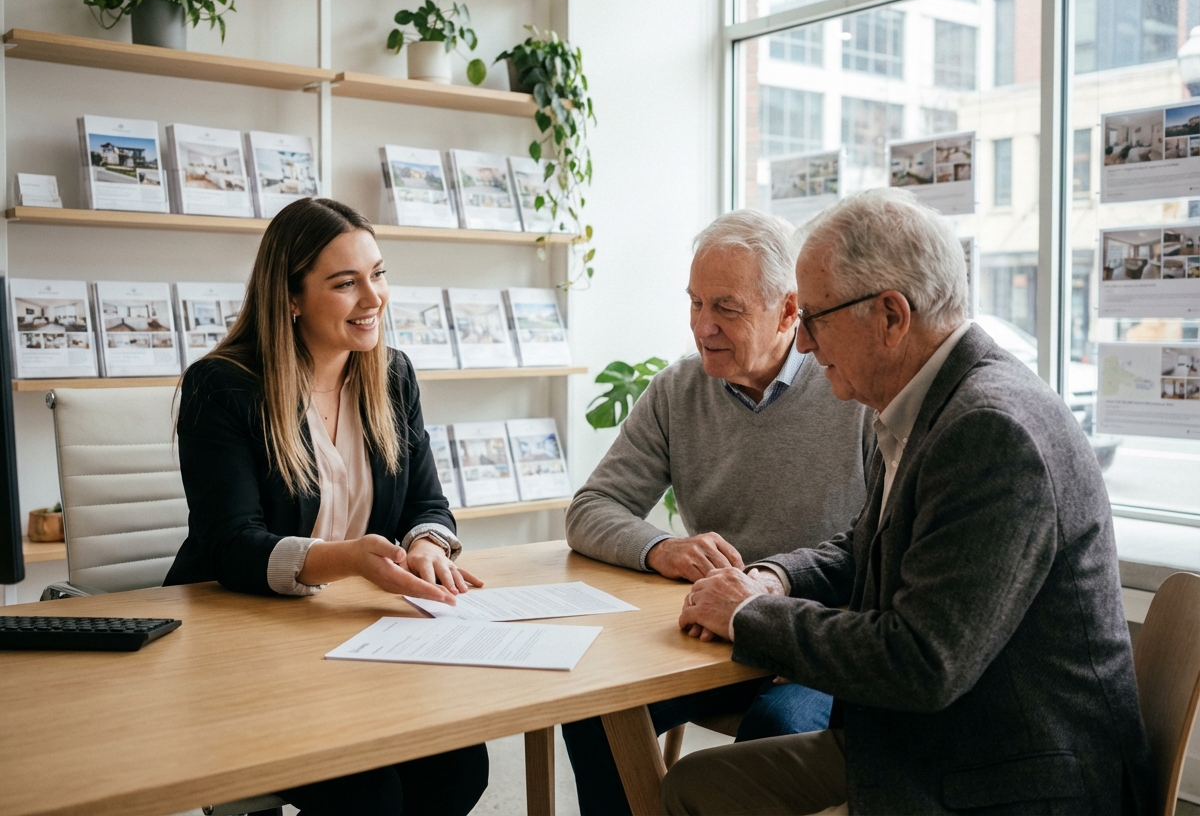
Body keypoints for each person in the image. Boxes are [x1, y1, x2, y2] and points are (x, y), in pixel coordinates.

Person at [665, 188, 1153, 815]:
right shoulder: (913, 407)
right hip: (933, 744)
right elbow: (863, 548)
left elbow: (922, 661)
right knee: (692, 787)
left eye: (814, 319)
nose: (804, 345)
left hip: (1008, 779)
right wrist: (772, 579)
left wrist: (745, 617)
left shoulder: (990, 431)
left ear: (891, 316)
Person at [165, 198, 489, 816]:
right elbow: (229, 544)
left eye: (379, 273)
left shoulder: (391, 375)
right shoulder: (222, 386)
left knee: (460, 766)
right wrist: (350, 559)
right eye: (345, 283)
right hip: (241, 645)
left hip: (354, 642)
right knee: (370, 796)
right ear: (289, 299)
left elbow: (428, 501)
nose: (374, 298)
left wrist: (425, 543)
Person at [563, 210, 875, 816]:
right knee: (591, 712)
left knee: (775, 730)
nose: (703, 327)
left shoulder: (850, 389)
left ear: (789, 311)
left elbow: (871, 541)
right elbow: (592, 508)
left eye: (726, 308)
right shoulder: (678, 390)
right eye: (695, 303)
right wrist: (664, 548)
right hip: (707, 639)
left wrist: (771, 586)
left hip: (812, 640)